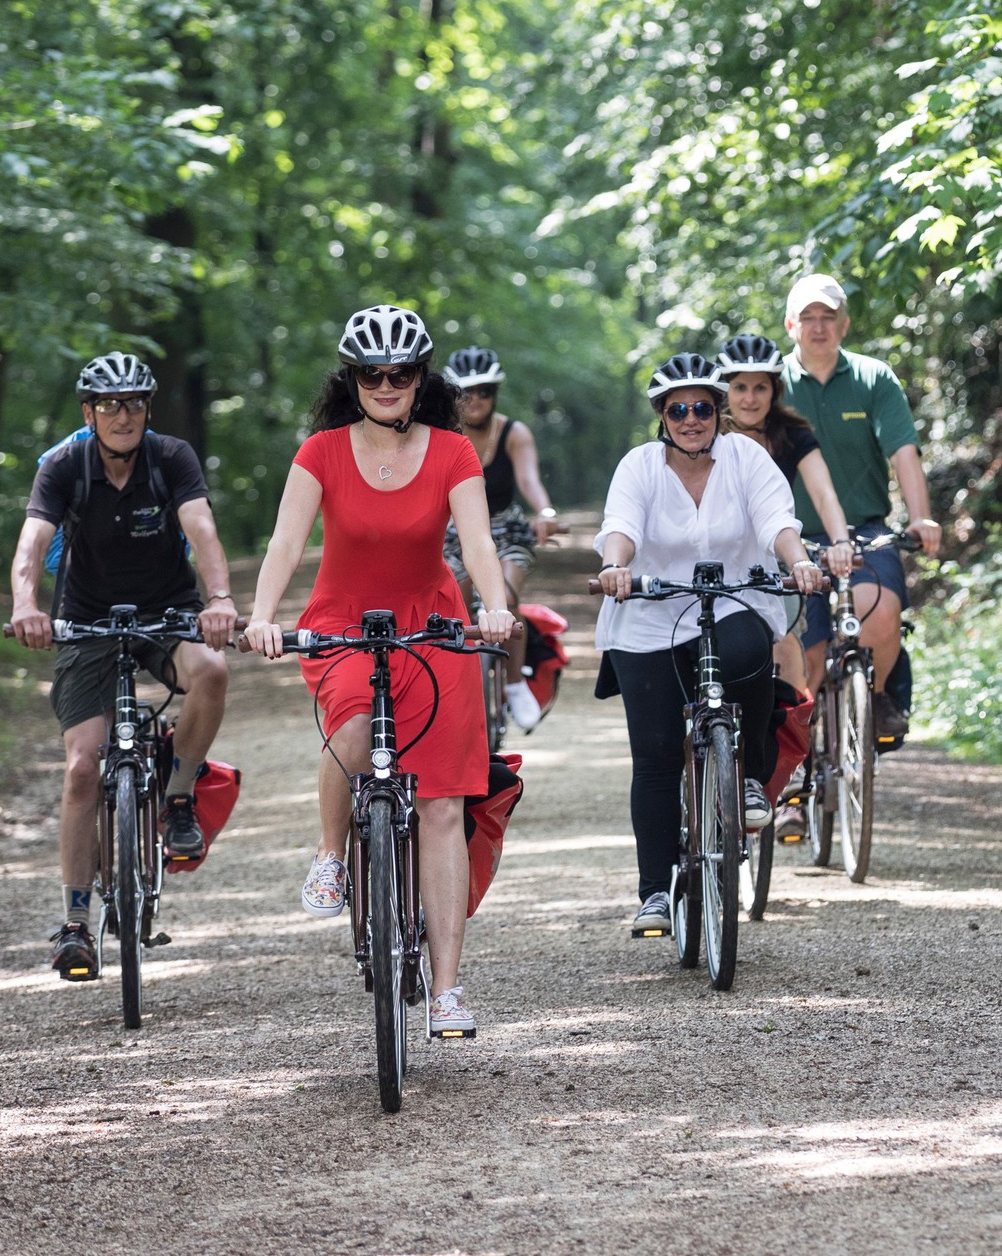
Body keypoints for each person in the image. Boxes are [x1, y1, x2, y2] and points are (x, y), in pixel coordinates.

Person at [241, 305, 515, 1040]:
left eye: (401, 373)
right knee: (357, 731)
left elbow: (480, 542)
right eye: (373, 373)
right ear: (353, 378)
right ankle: (333, 855)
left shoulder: (454, 451)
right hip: (342, 623)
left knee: (443, 805)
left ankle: (449, 991)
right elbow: (285, 542)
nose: (387, 384)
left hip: (433, 624)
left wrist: (491, 606)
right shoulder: (320, 453)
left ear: (421, 378)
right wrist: (264, 616)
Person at [7, 352, 238, 980]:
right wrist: (26, 605)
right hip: (86, 618)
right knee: (84, 766)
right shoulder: (63, 466)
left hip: (167, 610)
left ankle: (179, 798)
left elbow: (203, 529)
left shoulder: (172, 459)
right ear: (89, 413)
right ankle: (76, 922)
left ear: (148, 410)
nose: (123, 414)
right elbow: (32, 543)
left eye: (134, 403)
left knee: (212, 671)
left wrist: (218, 601)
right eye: (109, 404)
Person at [590, 352, 825, 937]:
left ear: (717, 412)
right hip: (648, 615)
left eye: (701, 408)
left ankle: (747, 775)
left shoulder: (747, 458)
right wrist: (616, 567)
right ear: (662, 417)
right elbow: (621, 524)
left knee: (753, 652)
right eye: (678, 410)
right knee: (656, 754)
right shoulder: (639, 467)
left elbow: (778, 520)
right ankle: (654, 892)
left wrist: (798, 563)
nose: (691, 419)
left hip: (734, 600)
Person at [778, 273, 940, 744]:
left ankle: (879, 694)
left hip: (865, 528)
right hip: (793, 537)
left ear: (844, 325)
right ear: (791, 325)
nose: (819, 327)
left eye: (828, 317)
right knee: (804, 655)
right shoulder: (772, 385)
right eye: (808, 317)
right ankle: (795, 767)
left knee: (882, 609)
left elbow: (904, 452)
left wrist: (920, 517)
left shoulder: (873, 378)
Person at [714, 332, 855, 842]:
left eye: (760, 388)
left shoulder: (792, 435)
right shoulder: (702, 433)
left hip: (775, 562)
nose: (749, 398)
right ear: (722, 390)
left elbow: (822, 492)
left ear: (775, 391)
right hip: (714, 565)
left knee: (790, 649)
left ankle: (786, 761)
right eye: (738, 387)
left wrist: (838, 541)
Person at [441, 345, 561, 730]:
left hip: (506, 529)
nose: (475, 400)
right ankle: (454, 681)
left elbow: (529, 481)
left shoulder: (513, 433)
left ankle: (513, 685)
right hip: (453, 530)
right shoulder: (440, 434)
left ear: (495, 393)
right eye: (465, 392)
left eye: (485, 391)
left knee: (504, 598)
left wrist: (544, 513)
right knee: (453, 601)